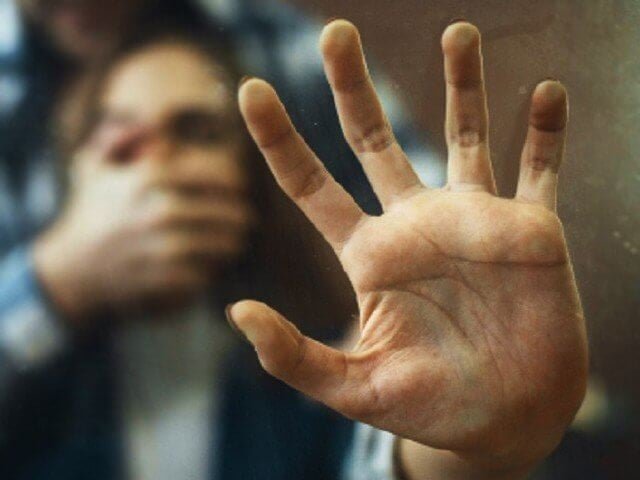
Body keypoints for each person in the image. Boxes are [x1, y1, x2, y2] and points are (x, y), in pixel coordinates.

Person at [0, 2, 588, 480]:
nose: (157, 168)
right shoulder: (47, 381)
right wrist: (58, 281)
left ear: (252, 169)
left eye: (197, 131)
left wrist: (474, 453)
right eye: (121, 140)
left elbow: (374, 460)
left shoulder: (301, 359)